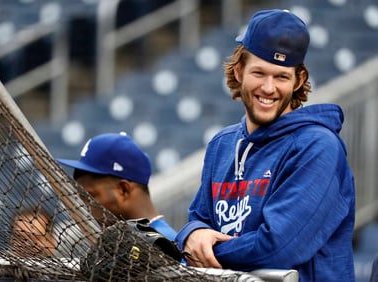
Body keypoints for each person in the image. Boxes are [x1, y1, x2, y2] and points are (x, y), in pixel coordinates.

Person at [175, 9, 356, 281]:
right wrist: (191, 234)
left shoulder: (317, 147)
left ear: (299, 80)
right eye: (259, 73)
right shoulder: (222, 145)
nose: (269, 88)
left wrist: (199, 248)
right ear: (239, 71)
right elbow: (198, 219)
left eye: (281, 76)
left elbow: (279, 247)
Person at [57, 132, 177, 241]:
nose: (82, 206)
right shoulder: (119, 241)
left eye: (90, 197)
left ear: (123, 190)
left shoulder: (165, 246)